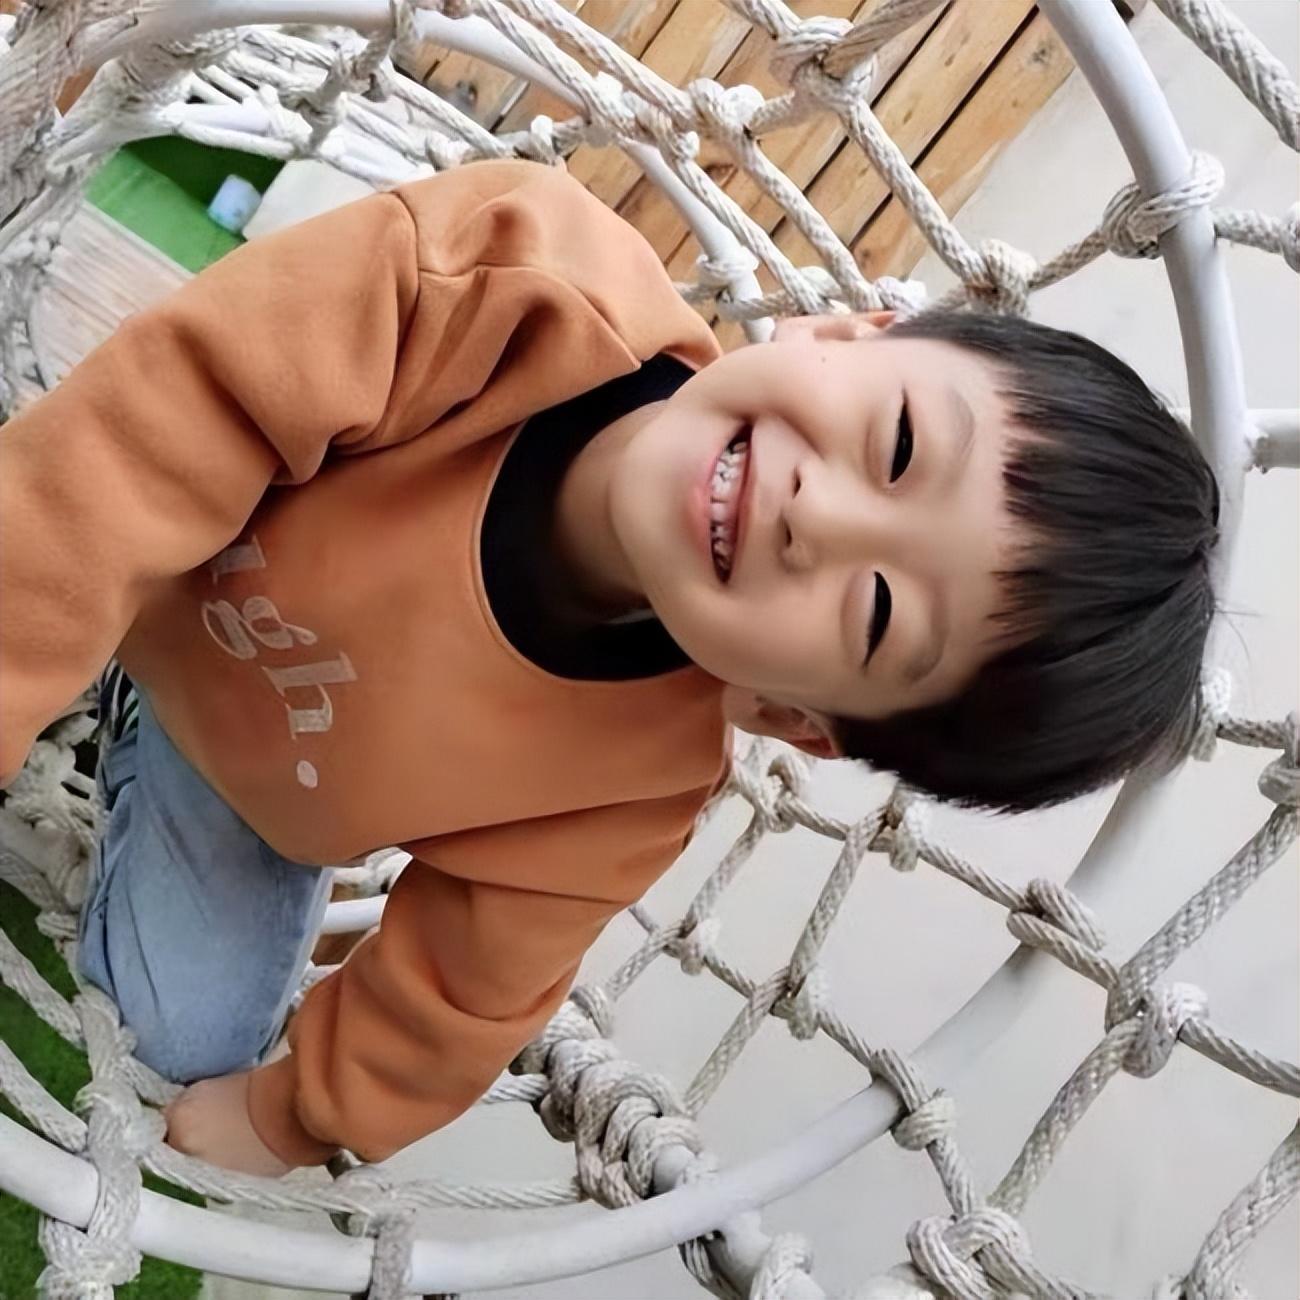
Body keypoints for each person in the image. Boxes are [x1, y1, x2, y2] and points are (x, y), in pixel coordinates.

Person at [0, 158, 1219, 1176]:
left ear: (791, 714)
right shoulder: (517, 277)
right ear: (846, 331)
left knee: (180, 1035)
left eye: (875, 608)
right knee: (72, 530)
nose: (817, 515)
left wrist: (295, 1116)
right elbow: (160, 426)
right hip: (143, 540)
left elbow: (466, 983)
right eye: (897, 442)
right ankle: (88, 656)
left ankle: (126, 716)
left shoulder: (632, 788)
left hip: (242, 794)